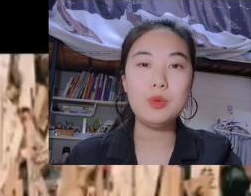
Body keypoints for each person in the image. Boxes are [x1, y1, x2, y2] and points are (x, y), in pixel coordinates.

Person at [66, 19, 241, 166]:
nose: (159, 81)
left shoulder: (218, 154)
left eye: (175, 65)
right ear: (124, 81)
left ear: (191, 82)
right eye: (144, 64)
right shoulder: (84, 157)